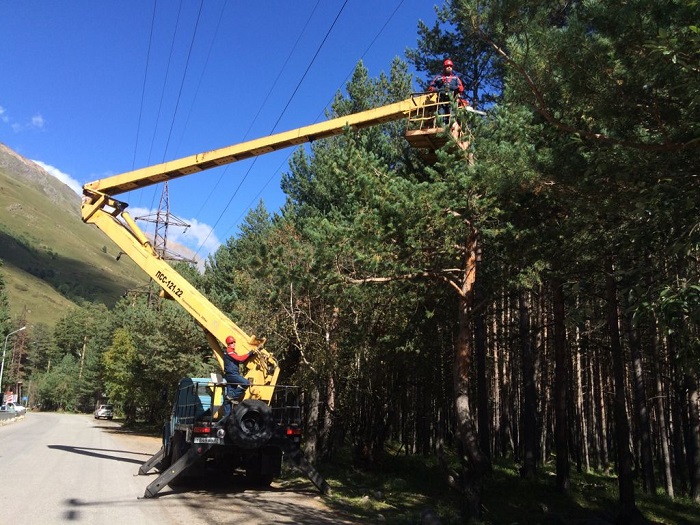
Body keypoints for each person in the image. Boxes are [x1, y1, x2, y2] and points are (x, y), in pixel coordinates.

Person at [428, 59, 467, 124]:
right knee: (441, 115)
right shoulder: (438, 78)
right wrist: (438, 90)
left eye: (450, 66)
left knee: (452, 115)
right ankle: (442, 129)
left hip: (452, 101)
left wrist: (454, 88)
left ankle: (451, 127)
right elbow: (431, 87)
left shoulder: (455, 78)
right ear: (444, 67)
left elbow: (461, 88)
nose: (449, 67)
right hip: (441, 101)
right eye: (447, 66)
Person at [222, 335, 251, 405]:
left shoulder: (232, 353)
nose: (234, 343)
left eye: (234, 342)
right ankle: (233, 396)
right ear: (228, 344)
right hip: (232, 375)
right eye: (232, 342)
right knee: (246, 383)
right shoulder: (229, 351)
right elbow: (240, 359)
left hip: (230, 375)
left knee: (228, 401)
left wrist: (250, 355)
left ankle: (227, 416)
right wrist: (249, 354)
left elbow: (240, 361)